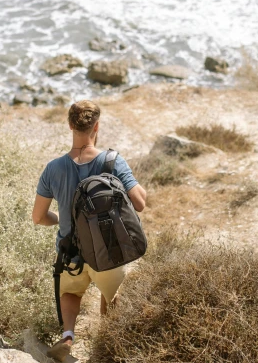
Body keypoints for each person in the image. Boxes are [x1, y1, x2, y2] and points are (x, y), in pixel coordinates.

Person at [32, 100, 147, 361]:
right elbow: (140, 203)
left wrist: (60, 219)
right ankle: (106, 346)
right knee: (112, 295)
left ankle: (68, 336)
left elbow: (38, 217)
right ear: (97, 126)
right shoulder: (114, 162)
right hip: (108, 247)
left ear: (70, 125)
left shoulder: (53, 168)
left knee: (71, 292)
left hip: (70, 250)